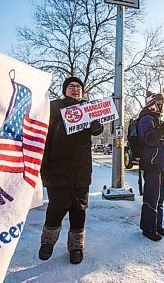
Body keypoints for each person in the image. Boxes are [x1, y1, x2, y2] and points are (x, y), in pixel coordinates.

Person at [39, 76, 103, 264]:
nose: (75, 89)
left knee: (79, 210)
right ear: (65, 90)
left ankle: (76, 246)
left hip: (81, 170)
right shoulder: (53, 107)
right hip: (57, 168)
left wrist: (96, 126)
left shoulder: (89, 109)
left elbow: (97, 130)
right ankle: (47, 242)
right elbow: (43, 131)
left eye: (78, 87)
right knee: (56, 208)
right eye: (71, 86)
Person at [137, 91, 164, 241]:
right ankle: (148, 228)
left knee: (160, 198)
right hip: (151, 164)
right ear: (150, 103)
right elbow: (150, 139)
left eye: (162, 102)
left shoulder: (158, 119)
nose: (161, 104)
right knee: (151, 198)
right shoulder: (146, 119)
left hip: (160, 164)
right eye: (158, 102)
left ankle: (157, 225)